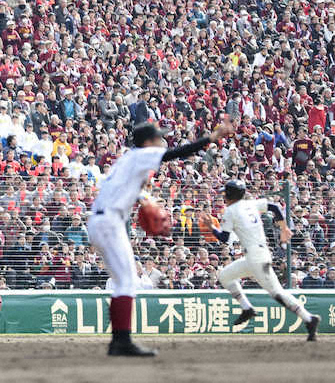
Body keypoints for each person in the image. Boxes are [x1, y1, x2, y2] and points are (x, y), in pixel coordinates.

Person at [88, 120, 234, 356]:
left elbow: (125, 189)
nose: (162, 141)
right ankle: (121, 341)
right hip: (109, 222)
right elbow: (174, 154)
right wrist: (210, 138)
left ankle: (119, 340)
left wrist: (145, 198)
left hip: (104, 220)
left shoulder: (129, 161)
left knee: (124, 281)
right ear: (148, 142)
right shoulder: (141, 155)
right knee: (126, 281)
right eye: (158, 137)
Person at [200, 180, 320, 340]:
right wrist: (284, 228)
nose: (224, 196)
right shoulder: (251, 204)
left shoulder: (231, 211)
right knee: (224, 276)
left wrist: (212, 228)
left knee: (277, 292)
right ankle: (247, 308)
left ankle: (309, 319)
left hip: (256, 257)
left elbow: (224, 238)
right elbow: (275, 207)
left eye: (225, 193)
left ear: (230, 195)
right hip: (254, 256)